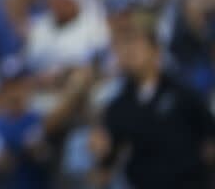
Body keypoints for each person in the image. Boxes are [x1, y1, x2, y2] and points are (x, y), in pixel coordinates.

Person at [92, 11, 215, 189]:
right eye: (124, 45)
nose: (130, 51)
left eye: (136, 43)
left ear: (155, 50)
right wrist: (101, 151)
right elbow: (107, 158)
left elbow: (209, 138)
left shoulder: (183, 92)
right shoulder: (118, 106)